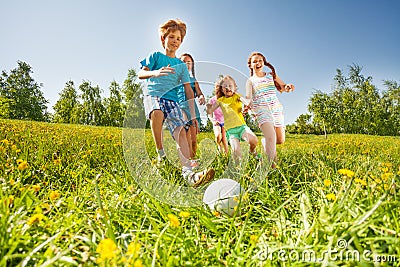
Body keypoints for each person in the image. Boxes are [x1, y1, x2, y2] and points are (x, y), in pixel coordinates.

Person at [138, 19, 214, 187]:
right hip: (154, 95)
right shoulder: (155, 56)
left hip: (172, 101)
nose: (175, 41)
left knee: (182, 134)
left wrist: (193, 116)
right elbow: (140, 74)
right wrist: (156, 72)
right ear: (163, 39)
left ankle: (189, 174)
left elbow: (188, 89)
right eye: (171, 37)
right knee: (157, 113)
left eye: (178, 39)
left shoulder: (180, 65)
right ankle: (161, 154)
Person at [245, 52, 294, 162]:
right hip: (261, 109)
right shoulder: (250, 81)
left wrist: (288, 87)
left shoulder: (271, 76)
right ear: (250, 65)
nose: (258, 63)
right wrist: (245, 104)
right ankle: (272, 168)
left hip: (275, 108)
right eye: (255, 61)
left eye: (260, 60)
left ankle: (265, 142)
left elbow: (283, 87)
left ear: (264, 63)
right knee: (271, 137)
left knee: (280, 140)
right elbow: (248, 97)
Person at [206, 75, 258, 161]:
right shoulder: (220, 100)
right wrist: (208, 107)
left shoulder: (236, 96)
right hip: (231, 131)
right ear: (222, 89)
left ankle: (252, 151)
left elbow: (246, 101)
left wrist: (250, 108)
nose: (227, 88)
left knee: (254, 140)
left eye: (230, 86)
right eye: (225, 86)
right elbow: (210, 110)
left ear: (234, 87)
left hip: (242, 127)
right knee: (238, 155)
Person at [177, 53, 205, 159]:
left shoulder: (194, 81)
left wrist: (201, 97)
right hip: (180, 108)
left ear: (192, 65)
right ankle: (187, 161)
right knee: (186, 136)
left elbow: (199, 93)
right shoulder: (175, 80)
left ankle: (193, 159)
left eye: (189, 62)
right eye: (183, 62)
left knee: (193, 140)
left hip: (193, 110)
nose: (186, 64)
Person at [207, 88, 228, 154]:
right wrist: (213, 121)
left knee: (224, 139)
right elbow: (209, 114)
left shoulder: (225, 99)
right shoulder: (212, 100)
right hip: (216, 122)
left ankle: (226, 155)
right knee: (218, 136)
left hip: (225, 122)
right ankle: (219, 146)